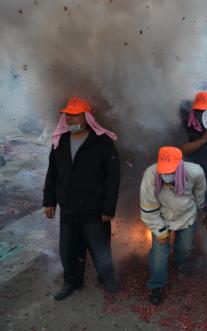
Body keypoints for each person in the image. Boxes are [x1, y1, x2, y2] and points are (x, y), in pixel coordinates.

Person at [43, 96, 120, 300]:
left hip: (94, 209)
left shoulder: (102, 142)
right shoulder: (59, 141)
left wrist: (108, 208)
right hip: (68, 208)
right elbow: (52, 173)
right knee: (68, 250)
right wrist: (49, 202)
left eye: (74, 114)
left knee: (100, 247)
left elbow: (113, 177)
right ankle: (72, 282)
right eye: (67, 115)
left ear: (87, 116)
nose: (69, 118)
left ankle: (107, 277)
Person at [140, 146, 206, 305]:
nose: (167, 176)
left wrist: (200, 206)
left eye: (171, 172)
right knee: (159, 252)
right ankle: (156, 285)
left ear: (180, 165)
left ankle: (180, 262)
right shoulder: (150, 175)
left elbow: (200, 190)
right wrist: (160, 230)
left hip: (186, 215)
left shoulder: (195, 172)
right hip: (161, 217)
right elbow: (148, 207)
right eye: (164, 172)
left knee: (184, 247)